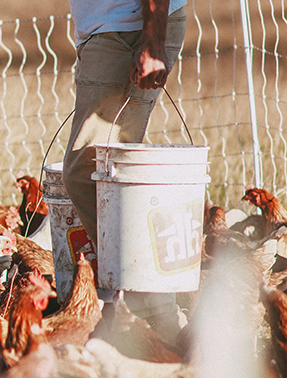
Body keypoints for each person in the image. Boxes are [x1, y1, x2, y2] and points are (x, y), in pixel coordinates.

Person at [62, 0, 187, 344]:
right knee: (113, 177)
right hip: (111, 31)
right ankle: (147, 306)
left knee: (88, 174)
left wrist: (153, 38)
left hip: (129, 32)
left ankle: (155, 311)